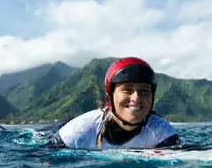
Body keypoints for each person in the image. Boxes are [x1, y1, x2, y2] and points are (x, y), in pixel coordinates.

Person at [49, 57, 180, 150]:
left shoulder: (162, 133)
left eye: (144, 91)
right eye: (127, 90)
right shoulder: (76, 132)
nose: (136, 98)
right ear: (110, 97)